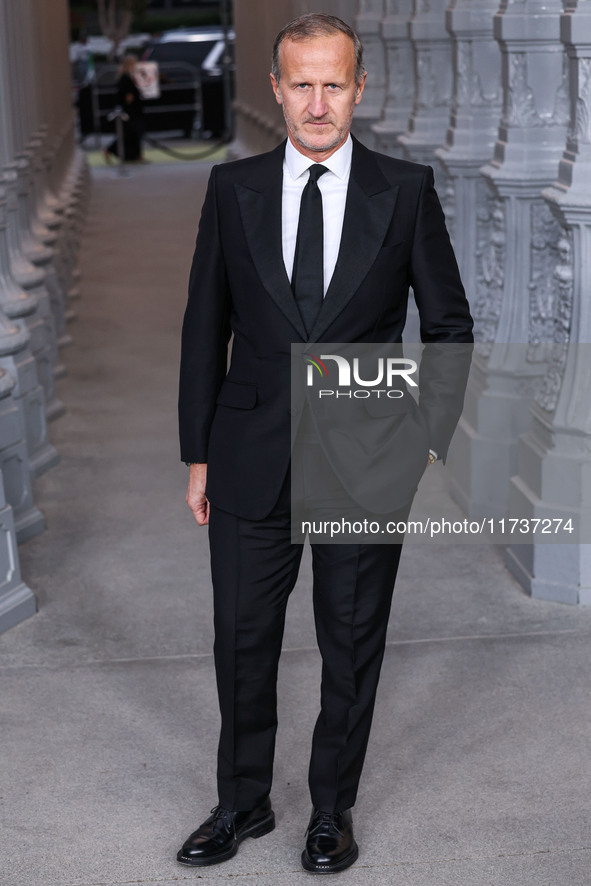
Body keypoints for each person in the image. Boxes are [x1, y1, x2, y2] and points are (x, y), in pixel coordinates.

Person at [177, 13, 473, 875]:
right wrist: (197, 451)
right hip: (247, 450)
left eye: (332, 83)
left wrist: (424, 442)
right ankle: (242, 802)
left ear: (358, 88)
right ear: (275, 88)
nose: (316, 102)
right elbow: (206, 327)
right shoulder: (231, 190)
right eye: (299, 83)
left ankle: (330, 811)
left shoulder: (404, 189)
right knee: (242, 636)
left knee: (349, 643)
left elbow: (448, 323)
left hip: (364, 455)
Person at [104, 54, 144, 163]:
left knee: (131, 134)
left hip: (130, 110)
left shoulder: (126, 77)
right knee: (130, 133)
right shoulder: (126, 79)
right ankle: (112, 149)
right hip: (130, 111)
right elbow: (128, 98)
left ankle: (135, 156)